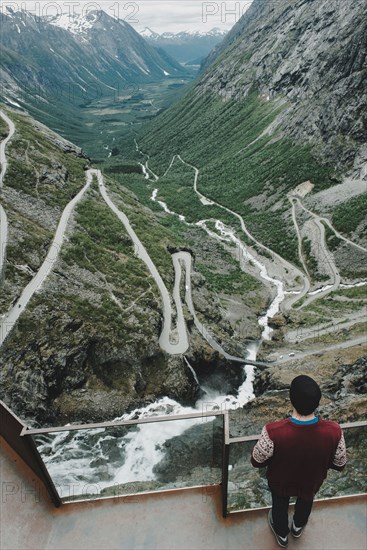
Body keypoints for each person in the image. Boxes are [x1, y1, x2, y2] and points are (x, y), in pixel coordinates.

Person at [251, 374, 346, 548]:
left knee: (279, 505)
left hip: (281, 482)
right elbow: (340, 463)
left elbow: (257, 460)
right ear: (318, 402)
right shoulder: (334, 430)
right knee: (306, 501)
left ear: (291, 400)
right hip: (311, 481)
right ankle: (298, 526)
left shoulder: (273, 431)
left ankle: (281, 534)